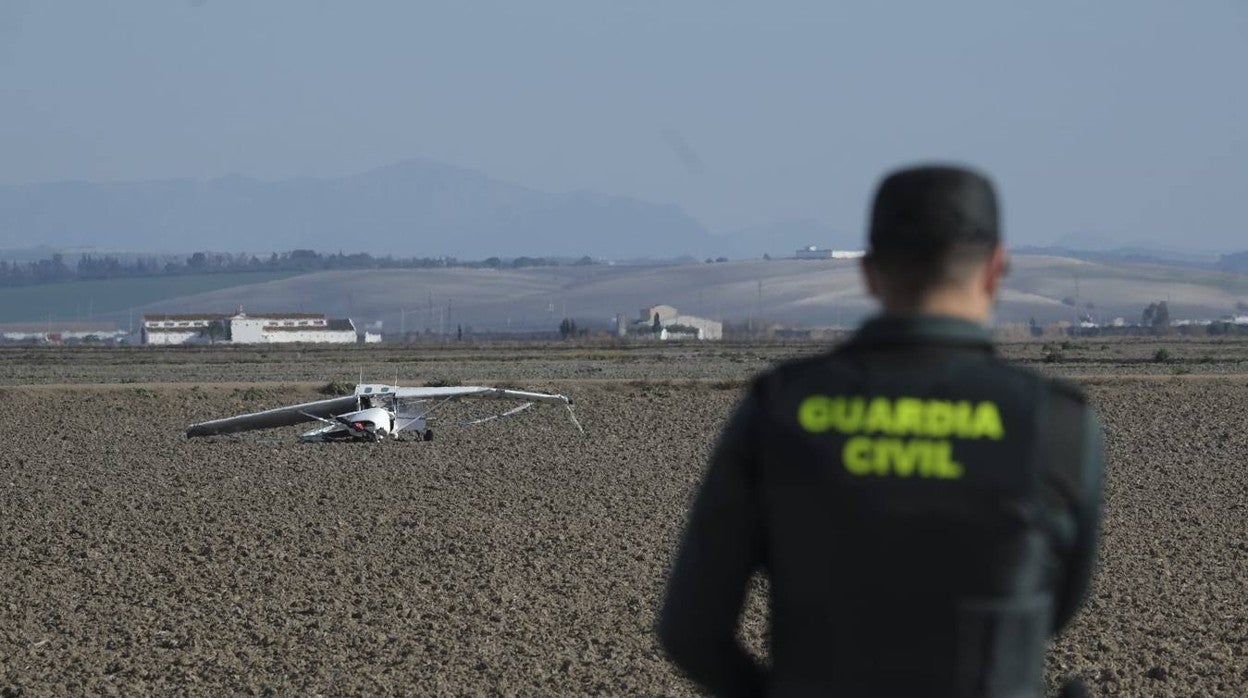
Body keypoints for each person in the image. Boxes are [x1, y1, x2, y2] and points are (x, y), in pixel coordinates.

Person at [658, 165, 1103, 698]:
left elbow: (692, 631)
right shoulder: (1053, 422)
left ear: (869, 272)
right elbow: (1058, 605)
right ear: (995, 269)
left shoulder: (781, 408)